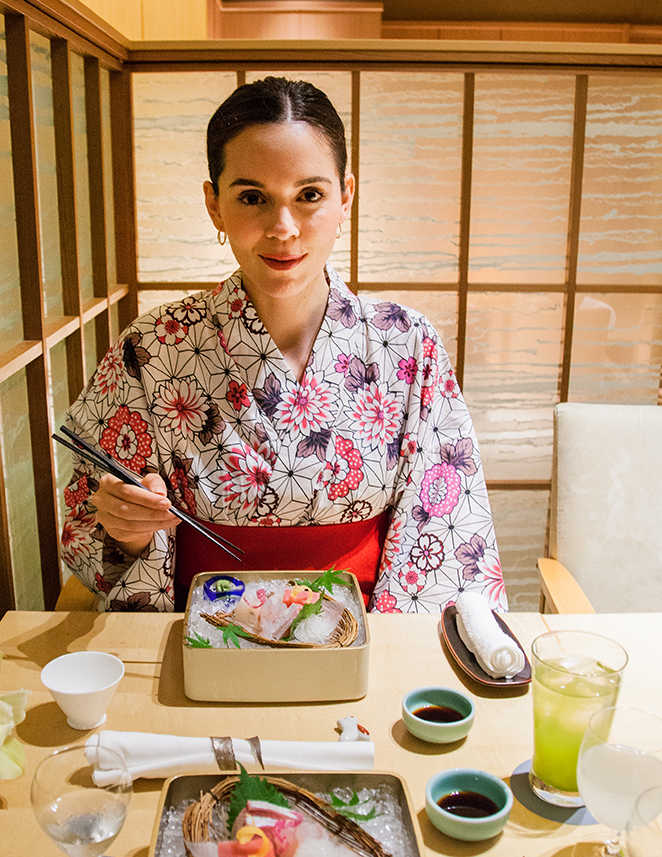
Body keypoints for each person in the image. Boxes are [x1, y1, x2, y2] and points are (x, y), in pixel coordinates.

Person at [61, 77, 505, 613]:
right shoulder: (152, 347)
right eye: (253, 197)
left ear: (346, 197)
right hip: (201, 631)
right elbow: (95, 532)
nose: (283, 227)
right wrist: (129, 531)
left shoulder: (408, 344)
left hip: (358, 635)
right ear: (214, 204)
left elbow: (441, 532)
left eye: (310, 195)